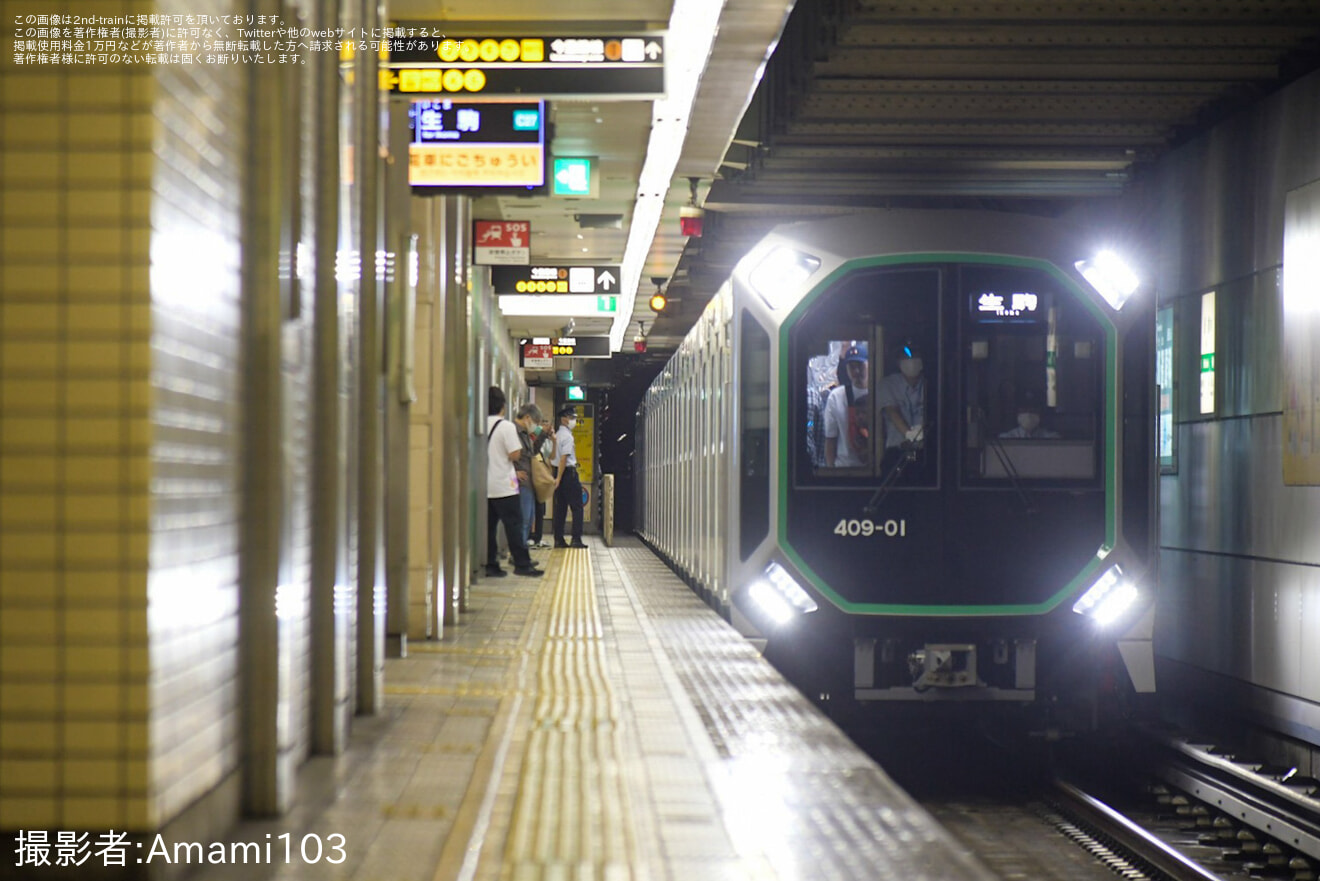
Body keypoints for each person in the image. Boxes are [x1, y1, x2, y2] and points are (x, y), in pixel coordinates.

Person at [485, 387, 541, 578]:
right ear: (502, 406)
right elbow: (515, 454)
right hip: (504, 486)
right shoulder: (506, 426)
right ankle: (522, 565)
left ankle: (491, 565)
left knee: (489, 528)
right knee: (514, 525)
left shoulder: (479, 424)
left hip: (484, 485)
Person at [878, 340, 927, 471]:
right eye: (905, 356)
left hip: (926, 454)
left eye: (915, 355)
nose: (910, 360)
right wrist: (909, 434)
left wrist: (923, 432)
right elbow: (892, 411)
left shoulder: (932, 383)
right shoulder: (888, 384)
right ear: (898, 361)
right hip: (896, 455)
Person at [823, 343, 871, 467]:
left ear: (869, 365)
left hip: (875, 468)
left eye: (860, 366)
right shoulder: (836, 397)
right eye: (851, 367)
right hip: (845, 467)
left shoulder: (880, 393)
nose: (856, 371)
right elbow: (830, 439)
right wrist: (831, 471)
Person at [553, 405, 587, 549]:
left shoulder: (557, 435)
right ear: (564, 419)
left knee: (560, 508)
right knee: (577, 507)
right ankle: (576, 539)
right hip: (568, 474)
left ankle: (559, 539)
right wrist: (560, 478)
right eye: (572, 418)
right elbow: (564, 458)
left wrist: (556, 478)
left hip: (558, 473)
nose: (574, 421)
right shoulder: (567, 436)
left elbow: (554, 457)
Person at [512, 402, 545, 550]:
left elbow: (531, 454)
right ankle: (519, 554)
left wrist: (542, 436)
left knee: (528, 519)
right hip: (520, 483)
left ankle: (522, 553)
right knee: (523, 520)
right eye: (535, 422)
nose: (535, 426)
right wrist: (513, 474)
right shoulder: (513, 432)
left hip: (528, 483)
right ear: (527, 417)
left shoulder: (525, 434)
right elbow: (505, 456)